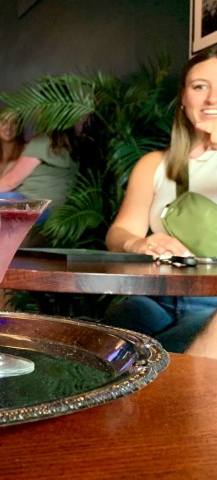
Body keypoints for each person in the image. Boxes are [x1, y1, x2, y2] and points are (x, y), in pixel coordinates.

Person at [103, 46, 217, 353]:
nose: (212, 98)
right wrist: (139, 244)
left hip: (213, 307)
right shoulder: (154, 164)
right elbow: (120, 232)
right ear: (184, 98)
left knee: (165, 362)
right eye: (200, 87)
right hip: (156, 297)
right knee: (106, 347)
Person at [0, 127, 79, 213]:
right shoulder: (72, 145)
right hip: (56, 213)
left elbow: (10, 182)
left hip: (30, 210)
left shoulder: (42, 142)